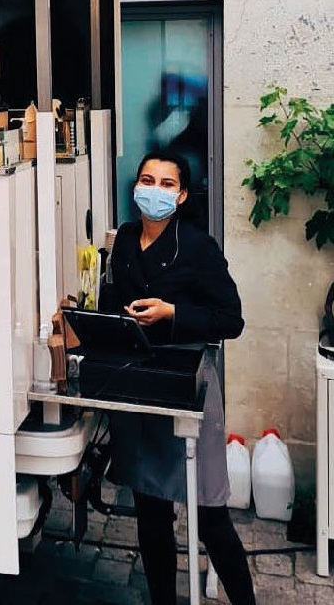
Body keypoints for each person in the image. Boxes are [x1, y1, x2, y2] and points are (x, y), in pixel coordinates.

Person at [103, 150, 254, 605]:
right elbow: (112, 297)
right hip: (140, 381)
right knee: (150, 508)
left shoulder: (197, 247)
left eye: (167, 184)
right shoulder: (125, 240)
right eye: (147, 180)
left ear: (182, 195)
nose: (154, 190)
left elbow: (231, 319)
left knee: (210, 513)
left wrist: (173, 313)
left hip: (188, 383)